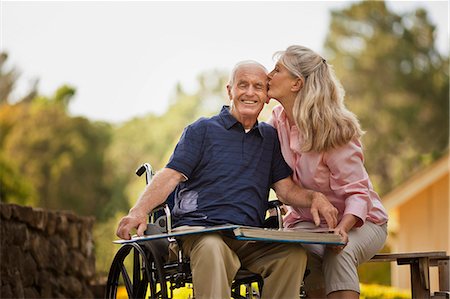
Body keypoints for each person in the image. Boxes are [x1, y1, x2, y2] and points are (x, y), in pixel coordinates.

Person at [116, 60, 339, 299]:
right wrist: (138, 211)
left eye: (258, 86)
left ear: (266, 96)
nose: (250, 92)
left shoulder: (269, 138)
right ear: (230, 90)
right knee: (213, 247)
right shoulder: (202, 130)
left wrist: (315, 197)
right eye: (243, 85)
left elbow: (285, 190)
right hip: (200, 232)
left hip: (247, 236)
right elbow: (170, 175)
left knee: (292, 255)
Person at [267, 45, 389, 299]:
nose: (269, 75)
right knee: (291, 253)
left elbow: (358, 193)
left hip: (360, 221)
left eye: (277, 70)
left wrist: (342, 228)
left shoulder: (335, 130)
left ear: (296, 83)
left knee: (337, 251)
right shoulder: (277, 121)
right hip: (305, 224)